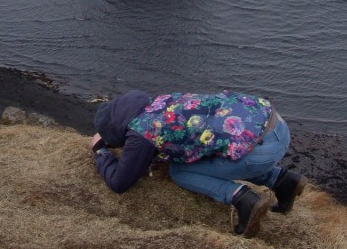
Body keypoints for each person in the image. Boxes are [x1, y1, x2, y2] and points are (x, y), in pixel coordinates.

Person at [89, 89, 307, 238]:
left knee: (180, 172)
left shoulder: (142, 133)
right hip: (276, 125)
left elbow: (119, 182)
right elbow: (189, 143)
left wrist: (101, 152)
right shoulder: (160, 102)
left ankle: (243, 200)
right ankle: (283, 181)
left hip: (261, 151)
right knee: (216, 148)